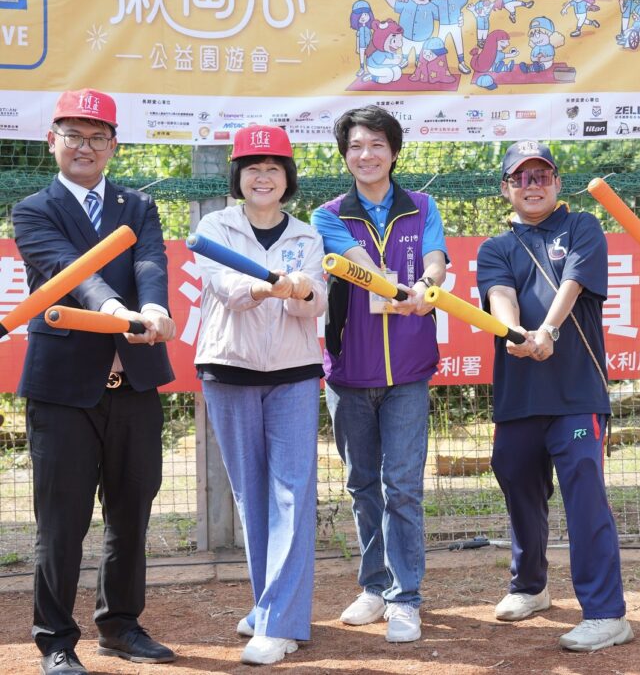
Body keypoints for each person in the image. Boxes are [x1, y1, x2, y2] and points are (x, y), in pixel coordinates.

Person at [13, 89, 177, 674]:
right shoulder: (33, 210)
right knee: (62, 522)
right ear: (51, 141)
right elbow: (63, 270)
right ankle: (55, 640)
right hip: (63, 393)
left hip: (133, 385)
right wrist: (115, 310)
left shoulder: (138, 204)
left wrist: (153, 308)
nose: (85, 147)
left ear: (114, 145)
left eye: (97, 136)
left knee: (132, 511)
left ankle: (120, 625)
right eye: (73, 135)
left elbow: (149, 261)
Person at [475, 140, 634, 652]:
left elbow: (571, 285)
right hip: (519, 395)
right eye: (521, 178)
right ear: (506, 189)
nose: (532, 185)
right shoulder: (495, 247)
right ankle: (531, 585)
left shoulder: (582, 226)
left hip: (576, 393)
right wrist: (513, 334)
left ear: (556, 182)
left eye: (541, 175)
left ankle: (607, 613)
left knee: (585, 494)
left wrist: (545, 331)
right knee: (518, 482)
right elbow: (500, 296)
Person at [311, 105, 448, 644]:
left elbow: (435, 258)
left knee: (403, 487)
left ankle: (405, 597)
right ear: (345, 156)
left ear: (393, 151)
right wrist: (398, 289)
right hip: (348, 372)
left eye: (375, 145)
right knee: (362, 485)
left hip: (409, 372)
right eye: (355, 147)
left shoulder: (423, 206)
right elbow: (354, 266)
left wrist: (428, 285)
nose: (365, 155)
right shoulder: (327, 215)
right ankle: (373, 585)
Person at [193, 125, 327, 664]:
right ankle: (269, 605)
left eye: (274, 167)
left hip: (294, 373)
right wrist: (271, 283)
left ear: (287, 177)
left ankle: (279, 621)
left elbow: (313, 302)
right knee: (252, 496)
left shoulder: (307, 235)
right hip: (229, 368)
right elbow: (228, 289)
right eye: (253, 167)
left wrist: (301, 290)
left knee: (292, 495)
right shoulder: (215, 226)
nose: (263, 176)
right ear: (238, 177)